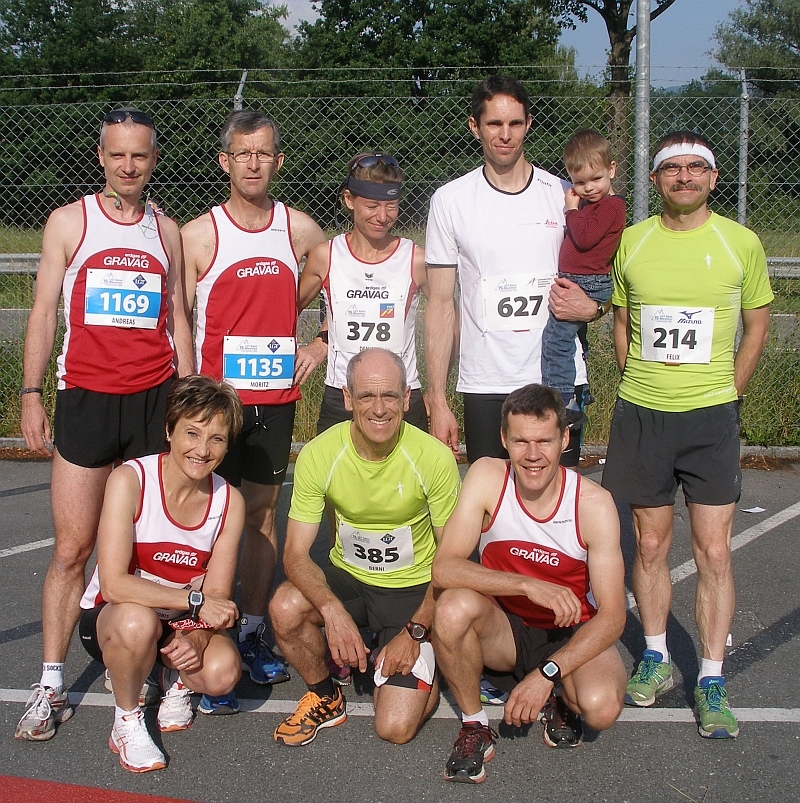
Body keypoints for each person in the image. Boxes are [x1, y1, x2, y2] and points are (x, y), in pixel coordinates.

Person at [16, 108, 193, 741]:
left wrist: (189, 400)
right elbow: (42, 314)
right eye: (118, 155)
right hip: (87, 400)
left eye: (140, 156)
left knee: (149, 552)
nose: (129, 166)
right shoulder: (70, 222)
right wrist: (32, 392)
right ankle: (51, 682)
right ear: (101, 157)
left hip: (154, 402)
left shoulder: (165, 229)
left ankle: (165, 675)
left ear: (152, 160)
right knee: (72, 549)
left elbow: (177, 318)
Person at [602, 131, 773, 740]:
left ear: (713, 178)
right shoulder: (633, 241)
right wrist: (638, 382)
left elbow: (756, 325)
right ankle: (653, 652)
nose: (683, 177)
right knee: (648, 547)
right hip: (644, 413)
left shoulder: (740, 243)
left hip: (711, 417)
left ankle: (710, 675)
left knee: (716, 551)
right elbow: (622, 322)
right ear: (655, 180)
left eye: (695, 167)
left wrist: (731, 389)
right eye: (671, 168)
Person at [182, 110, 327, 710]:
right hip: (218, 407)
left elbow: (344, 272)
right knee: (206, 516)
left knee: (262, 519)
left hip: (274, 399)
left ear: (278, 161)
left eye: (263, 153)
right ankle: (199, 638)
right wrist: (189, 385)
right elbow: (178, 315)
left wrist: (320, 342)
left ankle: (247, 629)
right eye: (242, 153)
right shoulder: (199, 234)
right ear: (225, 162)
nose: (252, 163)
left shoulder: (298, 229)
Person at [432, 384, 627, 783]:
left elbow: (613, 617)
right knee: (451, 608)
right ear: (504, 439)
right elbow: (444, 569)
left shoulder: (594, 504)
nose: (533, 455)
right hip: (507, 630)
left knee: (601, 707)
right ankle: (474, 726)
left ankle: (556, 695)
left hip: (571, 634)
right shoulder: (487, 476)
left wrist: (548, 673)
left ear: (565, 439)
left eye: (544, 441)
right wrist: (526, 586)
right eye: (520, 441)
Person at [269, 348, 461, 746]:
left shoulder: (434, 458)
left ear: (407, 399)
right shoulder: (320, 453)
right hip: (351, 583)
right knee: (285, 607)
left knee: (393, 727)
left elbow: (453, 561)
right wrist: (331, 608)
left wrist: (417, 631)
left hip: (411, 594)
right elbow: (295, 554)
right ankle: (324, 695)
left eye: (390, 396)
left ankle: (430, 662)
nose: (379, 409)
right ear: (348, 398)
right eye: (367, 396)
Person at [424, 75, 604, 465]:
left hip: (554, 379)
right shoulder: (450, 201)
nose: (505, 135)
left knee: (557, 506)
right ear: (475, 126)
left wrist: (596, 310)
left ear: (528, 124)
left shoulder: (565, 195)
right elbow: (440, 303)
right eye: (494, 124)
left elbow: (604, 275)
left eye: (515, 123)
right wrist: (437, 399)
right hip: (486, 382)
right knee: (493, 506)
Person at [76, 375, 245, 772]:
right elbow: (115, 584)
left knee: (223, 673)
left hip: (179, 620)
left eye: (217, 439)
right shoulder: (130, 480)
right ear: (169, 430)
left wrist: (198, 639)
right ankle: (127, 721)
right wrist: (193, 600)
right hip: (114, 617)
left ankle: (172, 678)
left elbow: (216, 598)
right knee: (136, 621)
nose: (202, 450)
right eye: (192, 432)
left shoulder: (229, 501)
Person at [298, 152, 429, 433]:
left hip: (401, 395)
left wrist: (438, 392)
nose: (382, 217)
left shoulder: (415, 259)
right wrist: (317, 343)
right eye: (371, 206)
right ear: (349, 200)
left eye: (391, 206)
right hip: (342, 395)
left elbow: (448, 315)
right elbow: (286, 311)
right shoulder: (326, 256)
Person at [541, 129, 626, 424]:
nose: (588, 188)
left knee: (556, 341)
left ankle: (561, 400)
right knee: (574, 341)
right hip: (582, 279)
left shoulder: (611, 206)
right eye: (579, 182)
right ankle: (581, 391)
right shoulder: (598, 204)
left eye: (596, 179)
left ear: (612, 170)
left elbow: (585, 237)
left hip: (586, 282)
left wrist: (571, 210)